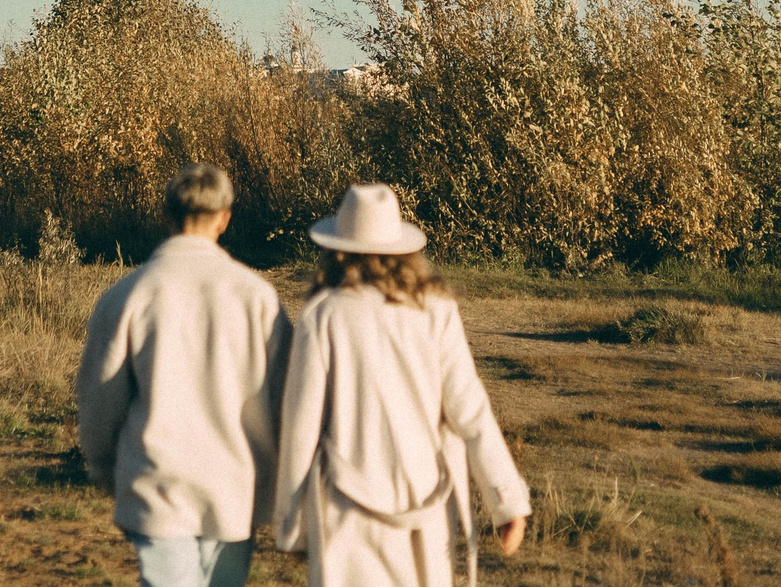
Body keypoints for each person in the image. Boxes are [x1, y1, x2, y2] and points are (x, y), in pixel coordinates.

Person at [273, 184, 529, 587]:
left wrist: (291, 524)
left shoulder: (323, 316)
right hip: (426, 505)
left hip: (346, 510)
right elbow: (470, 409)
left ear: (336, 249)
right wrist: (506, 501)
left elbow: (301, 427)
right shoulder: (436, 310)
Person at [78, 163, 293, 587]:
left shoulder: (129, 294)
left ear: (166, 215)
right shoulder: (257, 297)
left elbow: (100, 396)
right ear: (225, 218)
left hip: (158, 482)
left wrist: (103, 464)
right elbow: (286, 394)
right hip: (235, 483)